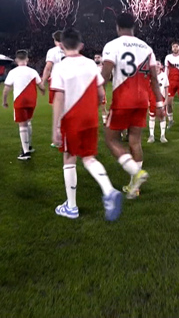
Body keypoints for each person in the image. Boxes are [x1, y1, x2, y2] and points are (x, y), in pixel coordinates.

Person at [51, 28, 123, 221]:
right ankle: (108, 190)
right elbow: (101, 94)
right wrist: (100, 110)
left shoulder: (61, 67)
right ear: (81, 45)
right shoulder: (91, 64)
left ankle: (71, 207)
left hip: (71, 118)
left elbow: (58, 98)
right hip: (90, 118)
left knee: (69, 157)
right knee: (89, 158)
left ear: (61, 45)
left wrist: (56, 127)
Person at [100, 13, 163, 200]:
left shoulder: (112, 46)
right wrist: (159, 103)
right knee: (135, 141)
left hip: (122, 100)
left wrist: (98, 94)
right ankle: (134, 188)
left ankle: (135, 172)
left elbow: (105, 75)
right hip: (142, 101)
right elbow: (154, 79)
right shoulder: (147, 47)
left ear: (118, 27)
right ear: (134, 27)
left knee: (111, 139)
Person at [2, 50, 46, 160]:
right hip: (32, 100)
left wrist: (4, 100)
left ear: (16, 60)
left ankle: (25, 152)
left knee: (22, 124)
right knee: (28, 121)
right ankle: (29, 146)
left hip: (20, 100)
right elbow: (41, 85)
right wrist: (42, 91)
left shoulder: (13, 72)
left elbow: (6, 88)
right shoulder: (33, 71)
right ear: (27, 59)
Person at [147, 61, 169, 144]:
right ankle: (151, 135)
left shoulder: (164, 76)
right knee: (152, 117)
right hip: (152, 99)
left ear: (161, 66)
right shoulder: (149, 76)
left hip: (161, 99)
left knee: (162, 117)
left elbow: (167, 88)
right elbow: (146, 89)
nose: (156, 66)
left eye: (158, 64)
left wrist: (166, 100)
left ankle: (162, 136)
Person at [43, 30, 64, 106]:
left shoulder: (52, 51)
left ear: (55, 40)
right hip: (69, 79)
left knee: (56, 103)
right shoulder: (70, 49)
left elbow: (48, 68)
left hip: (56, 79)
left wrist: (43, 82)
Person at [94, 54, 108, 125]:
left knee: (103, 106)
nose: (96, 59)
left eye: (98, 57)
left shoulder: (104, 68)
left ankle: (105, 121)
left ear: (101, 58)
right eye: (95, 58)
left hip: (101, 89)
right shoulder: (92, 67)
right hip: (92, 90)